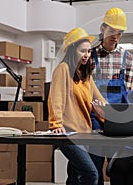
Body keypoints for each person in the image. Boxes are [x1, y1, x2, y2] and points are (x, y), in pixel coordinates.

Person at [48, 27, 107, 185]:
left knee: (74, 177)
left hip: (84, 133)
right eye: (83, 51)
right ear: (72, 50)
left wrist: (111, 113)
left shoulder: (86, 76)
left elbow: (99, 99)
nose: (87, 55)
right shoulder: (63, 69)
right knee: (90, 173)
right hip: (68, 133)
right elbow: (56, 98)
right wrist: (56, 124)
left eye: (88, 51)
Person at [90, 7, 133, 185]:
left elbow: (130, 92)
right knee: (95, 162)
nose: (115, 36)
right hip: (94, 117)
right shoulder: (90, 56)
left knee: (117, 166)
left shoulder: (128, 58)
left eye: (119, 32)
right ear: (102, 29)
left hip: (118, 118)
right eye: (111, 30)